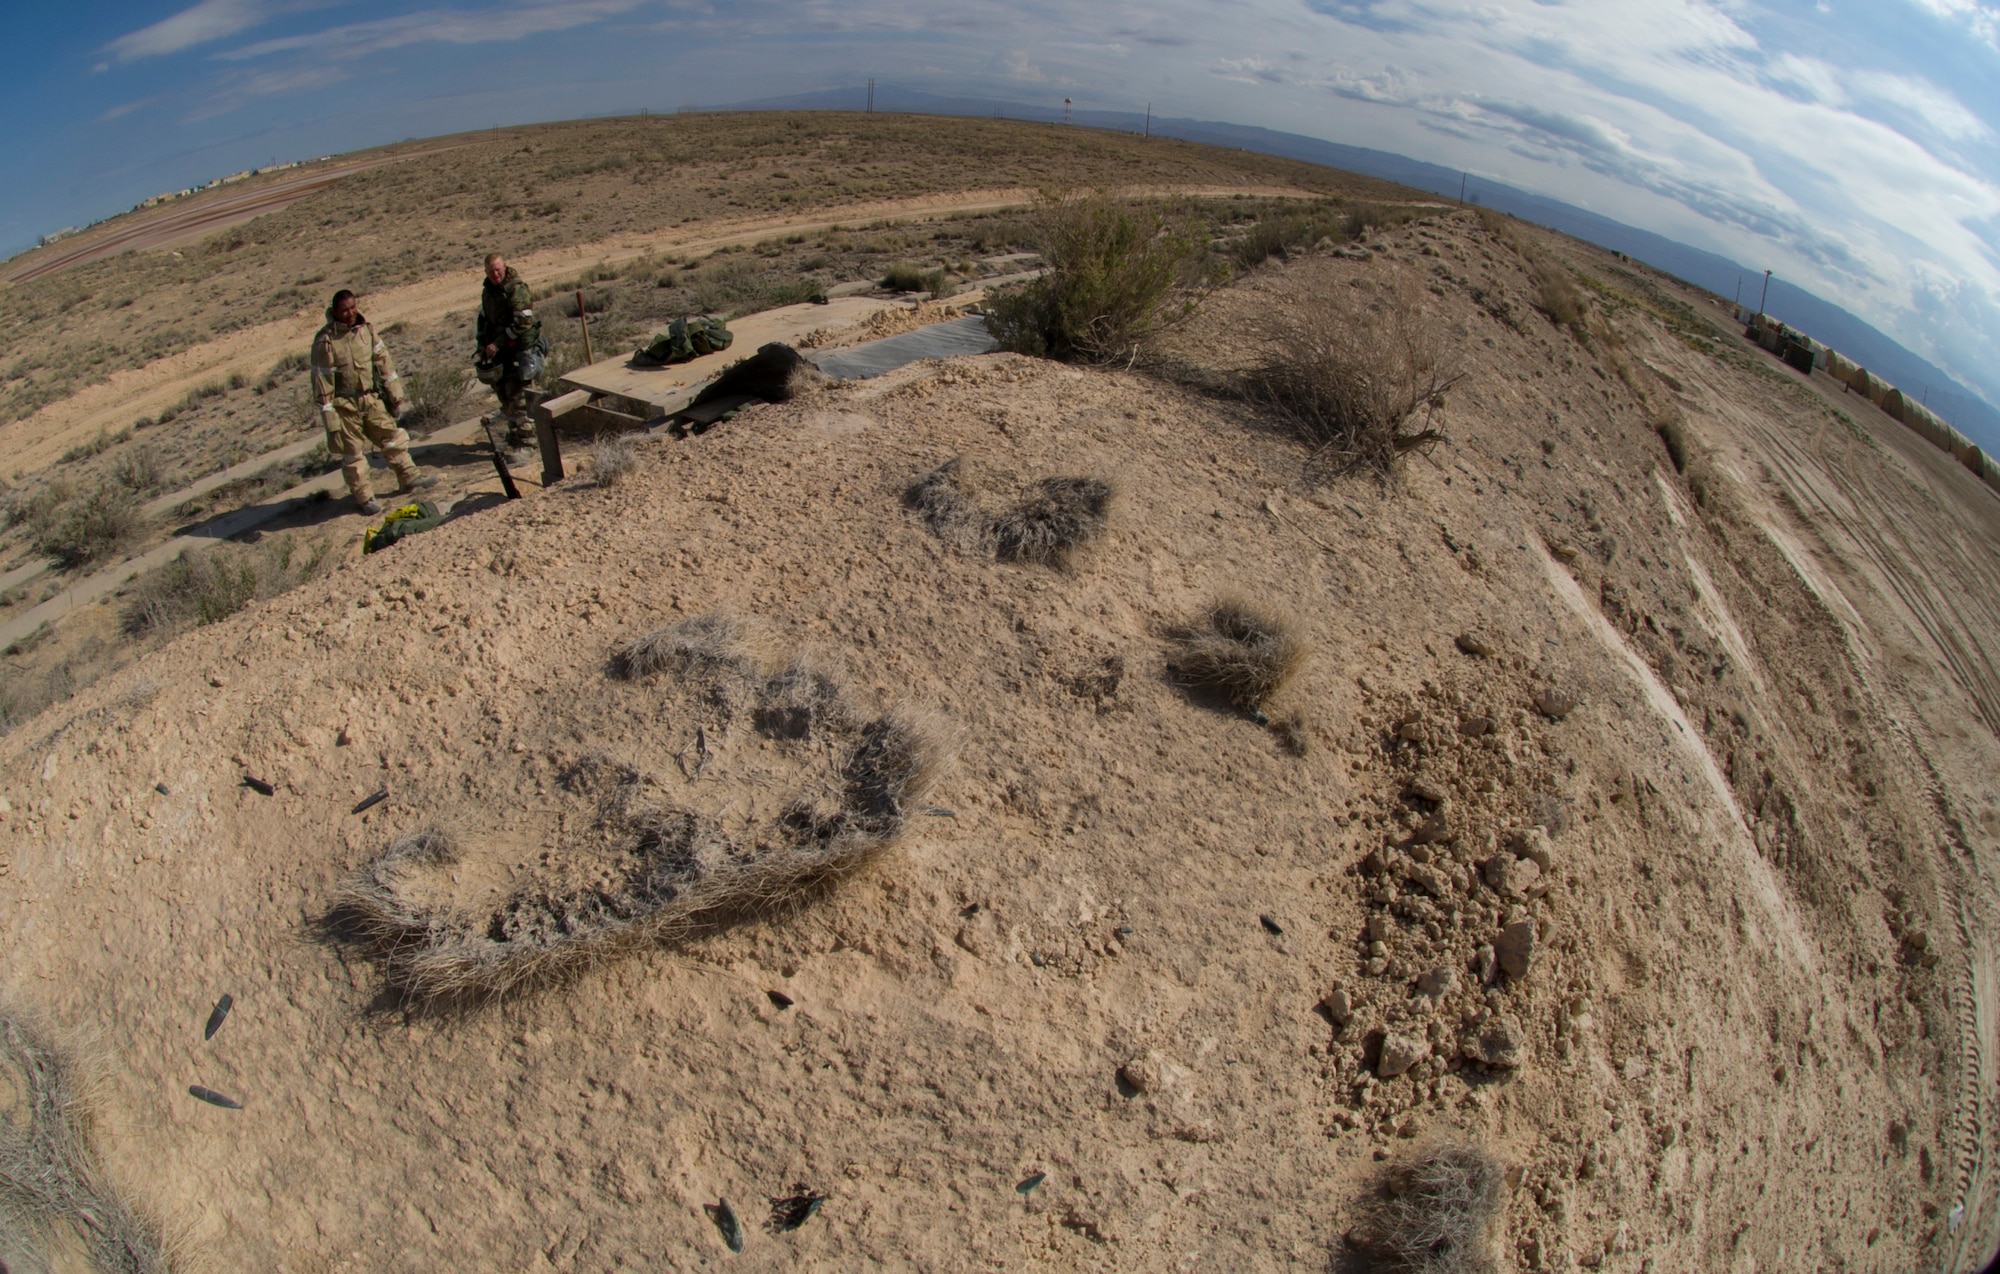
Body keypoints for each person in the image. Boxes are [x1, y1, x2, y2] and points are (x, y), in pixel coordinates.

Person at [310, 290, 436, 515]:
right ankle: (365, 497)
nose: (350, 313)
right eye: (345, 310)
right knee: (353, 453)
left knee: (391, 437)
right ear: (335, 312)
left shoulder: (366, 330)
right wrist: (330, 417)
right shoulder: (326, 341)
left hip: (370, 397)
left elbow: (382, 359)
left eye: (353, 307)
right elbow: (322, 380)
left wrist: (394, 391)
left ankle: (409, 477)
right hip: (344, 405)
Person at [475, 253, 544, 451]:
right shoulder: (488, 291)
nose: (495, 274)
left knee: (519, 395)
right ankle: (515, 435)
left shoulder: (516, 288)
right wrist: (483, 343)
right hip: (500, 352)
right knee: (504, 394)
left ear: (504, 266)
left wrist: (497, 343)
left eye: (497, 270)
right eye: (490, 271)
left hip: (519, 350)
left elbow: (523, 321)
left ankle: (527, 441)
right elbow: (484, 318)